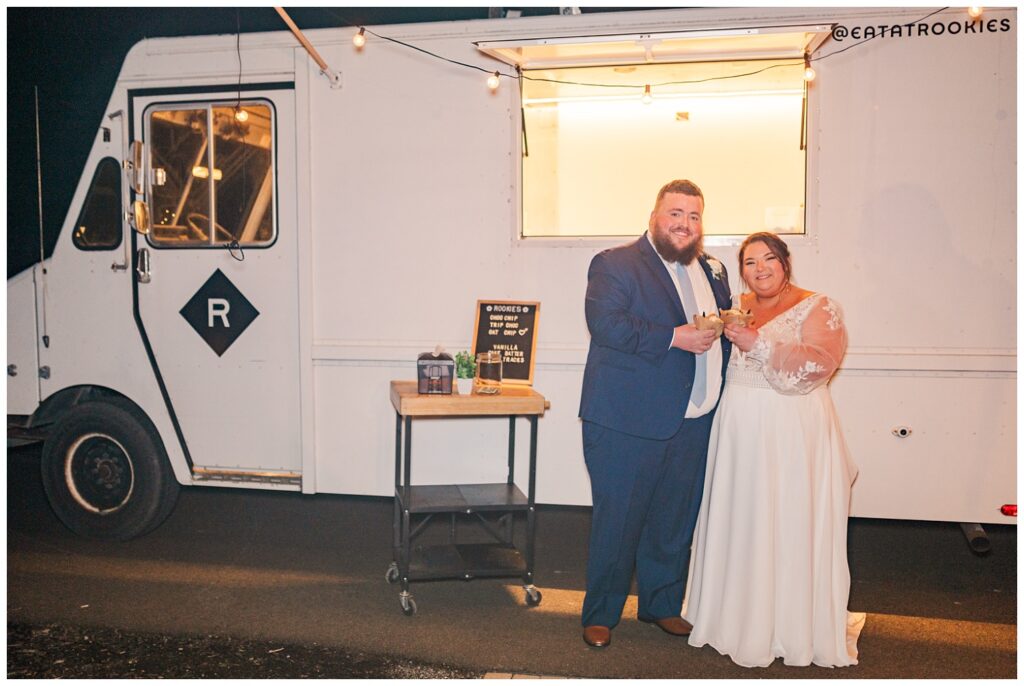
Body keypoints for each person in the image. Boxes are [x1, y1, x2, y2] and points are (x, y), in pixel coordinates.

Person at [683, 231, 865, 667]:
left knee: (786, 514)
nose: (759, 268)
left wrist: (759, 345)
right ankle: (738, 616)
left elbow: (821, 363)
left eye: (769, 259)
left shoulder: (819, 304)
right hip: (740, 424)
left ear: (786, 262)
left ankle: (788, 625)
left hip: (791, 426)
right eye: (749, 262)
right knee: (744, 514)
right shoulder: (738, 306)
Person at [577, 180, 733, 648]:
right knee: (618, 520)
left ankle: (661, 604)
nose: (684, 224)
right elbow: (605, 324)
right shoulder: (615, 263)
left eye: (694, 216)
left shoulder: (712, 269)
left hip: (695, 418)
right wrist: (673, 337)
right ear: (654, 215)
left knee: (674, 520)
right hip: (627, 421)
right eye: (675, 213)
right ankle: (600, 613)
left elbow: (721, 322)